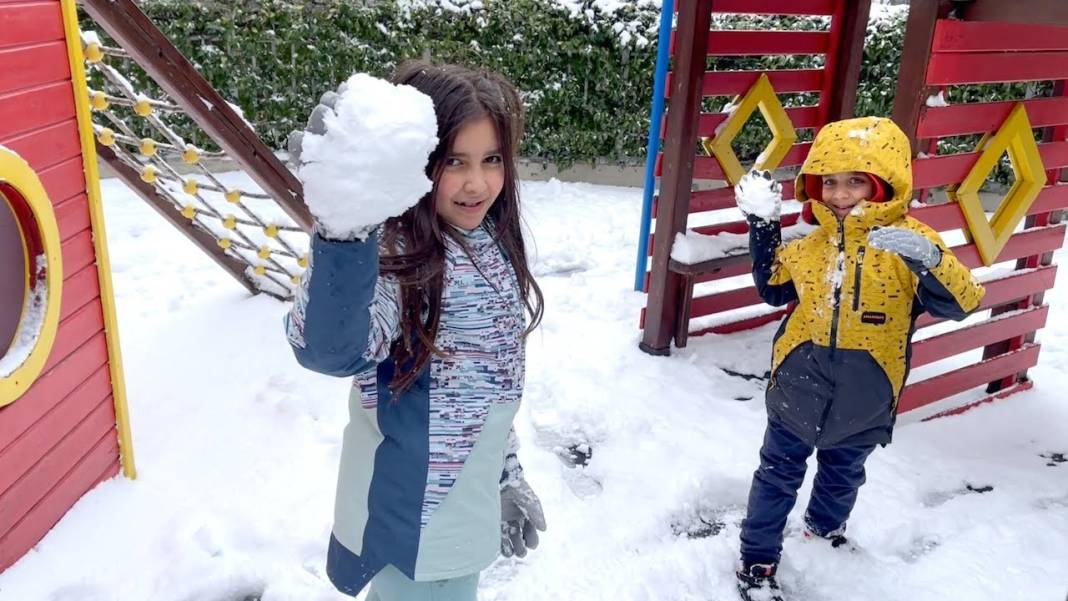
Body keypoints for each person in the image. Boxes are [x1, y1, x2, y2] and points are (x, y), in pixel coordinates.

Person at [284, 61, 547, 601]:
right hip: (417, 531)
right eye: (455, 162)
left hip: (457, 522)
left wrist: (506, 474)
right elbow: (332, 351)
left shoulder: (488, 244)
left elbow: (487, 391)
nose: (478, 183)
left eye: (492, 159)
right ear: (415, 160)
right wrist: (344, 231)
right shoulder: (394, 256)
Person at [733, 117, 985, 601]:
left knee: (844, 469)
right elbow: (772, 288)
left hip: (866, 389)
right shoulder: (811, 247)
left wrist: (933, 262)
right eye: (830, 181)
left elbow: (962, 303)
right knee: (778, 472)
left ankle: (823, 529)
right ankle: (757, 561)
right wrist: (763, 226)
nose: (841, 194)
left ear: (886, 182)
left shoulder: (908, 244)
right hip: (798, 381)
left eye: (856, 181)